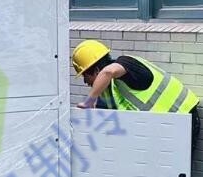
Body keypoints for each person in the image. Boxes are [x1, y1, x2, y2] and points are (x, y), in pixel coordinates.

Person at [72, 39, 200, 145]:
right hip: (163, 128)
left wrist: (89, 101)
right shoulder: (107, 91)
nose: (85, 81)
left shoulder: (128, 64)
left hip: (183, 119)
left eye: (85, 76)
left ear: (96, 70)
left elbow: (108, 72)